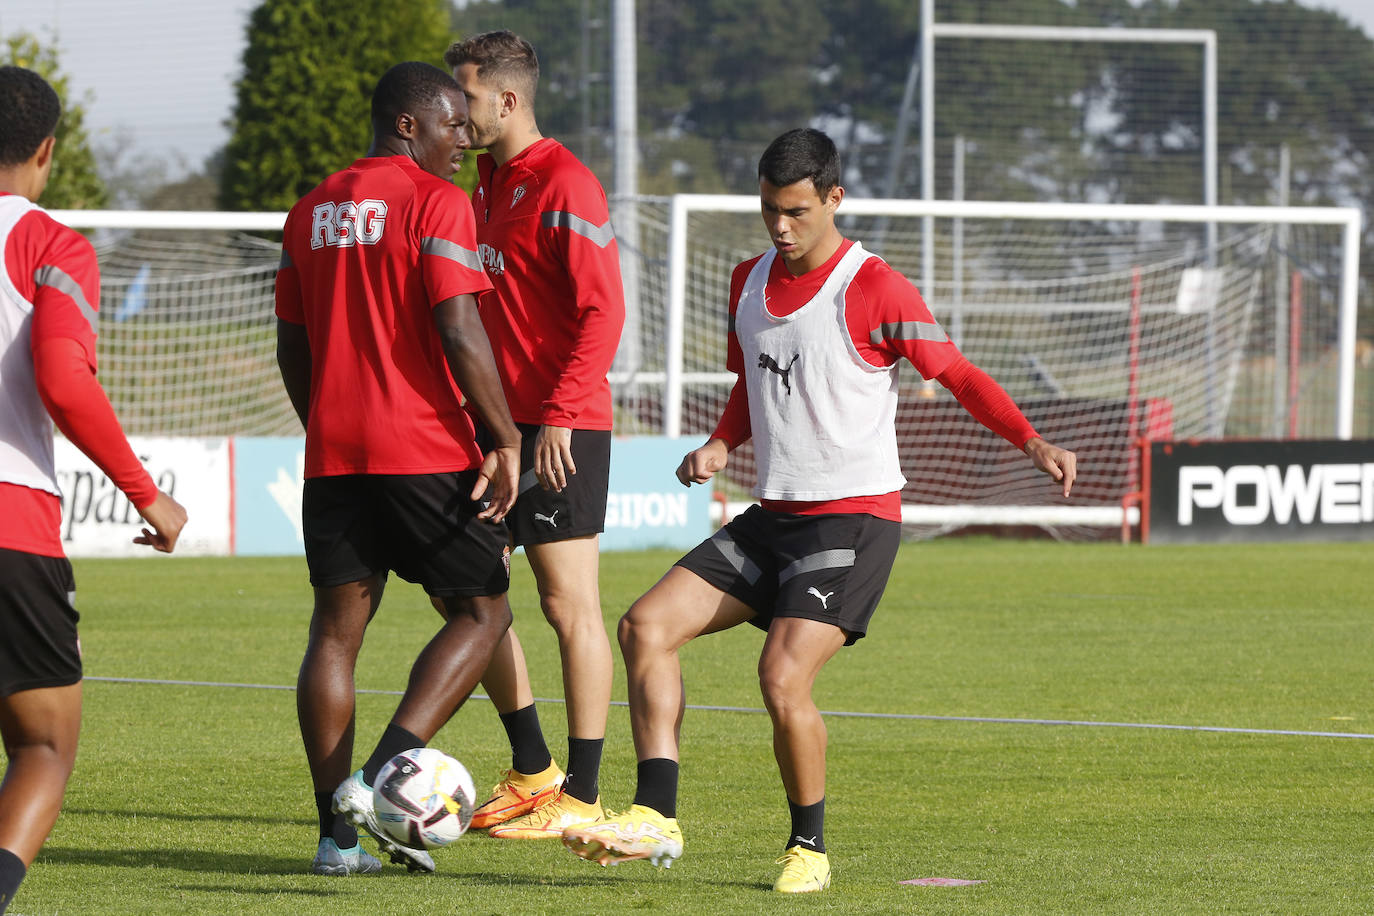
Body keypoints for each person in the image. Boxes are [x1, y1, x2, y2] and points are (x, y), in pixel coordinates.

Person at [562, 128, 1078, 893]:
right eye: (769, 209)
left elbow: (959, 373)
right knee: (645, 626)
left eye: (796, 210)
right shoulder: (747, 279)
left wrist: (1031, 441)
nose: (780, 225)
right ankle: (656, 814)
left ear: (834, 199)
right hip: (774, 518)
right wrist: (719, 443)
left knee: (780, 676)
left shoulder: (875, 287)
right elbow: (755, 385)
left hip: (854, 521)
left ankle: (809, 849)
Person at [274, 61, 524, 876]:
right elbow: (459, 328)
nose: (466, 139)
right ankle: (377, 780)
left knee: (334, 638)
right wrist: (504, 438)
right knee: (483, 614)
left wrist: (327, 420)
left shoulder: (308, 212)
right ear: (408, 125)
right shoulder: (434, 201)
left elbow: (293, 343)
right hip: (422, 448)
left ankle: (335, 840)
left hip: (334, 457)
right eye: (454, 124)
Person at [0, 66, 188, 915]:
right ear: (45, 152)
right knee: (43, 747)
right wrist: (147, 495)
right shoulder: (49, 243)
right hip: (12, 522)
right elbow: (65, 382)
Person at [440, 31, 626, 840]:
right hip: (493, 429)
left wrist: (561, 412)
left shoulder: (566, 183)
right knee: (470, 596)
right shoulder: (482, 181)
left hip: (561, 426)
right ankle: (532, 769)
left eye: (468, 98)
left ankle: (580, 795)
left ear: (508, 100)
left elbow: (604, 310)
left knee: (566, 604)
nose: (456, 111)